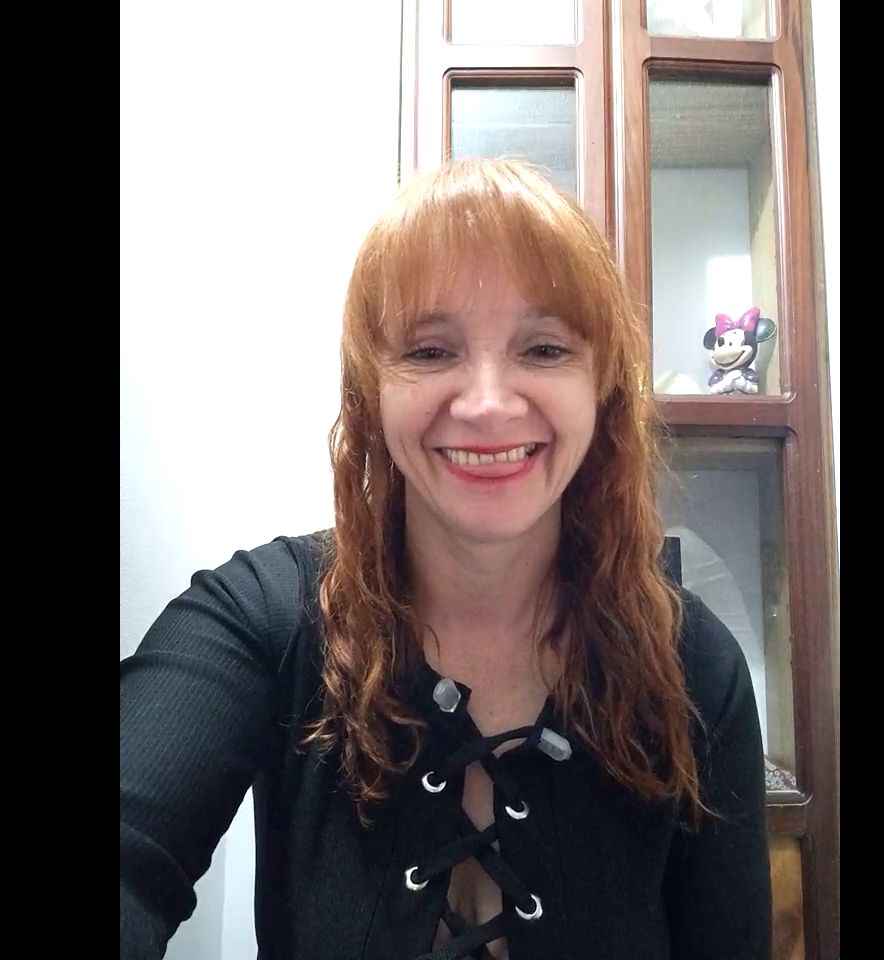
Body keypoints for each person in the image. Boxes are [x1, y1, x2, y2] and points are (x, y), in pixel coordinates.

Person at [120, 158, 771, 960]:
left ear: (601, 387)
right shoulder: (261, 620)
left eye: (544, 348)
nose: (489, 403)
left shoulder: (695, 667)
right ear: (371, 389)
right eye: (430, 351)